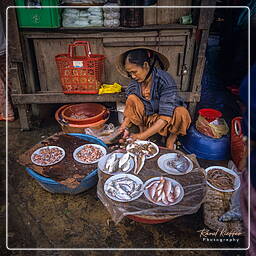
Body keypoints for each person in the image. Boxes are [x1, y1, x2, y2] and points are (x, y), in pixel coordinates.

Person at [116, 48, 191, 149]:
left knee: (181, 112)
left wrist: (141, 136)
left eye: (134, 72)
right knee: (131, 99)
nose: (133, 76)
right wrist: (123, 127)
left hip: (166, 119)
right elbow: (131, 108)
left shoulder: (165, 81)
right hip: (148, 117)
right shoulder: (135, 82)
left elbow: (165, 118)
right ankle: (143, 131)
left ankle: (171, 140)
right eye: (130, 73)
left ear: (146, 65)